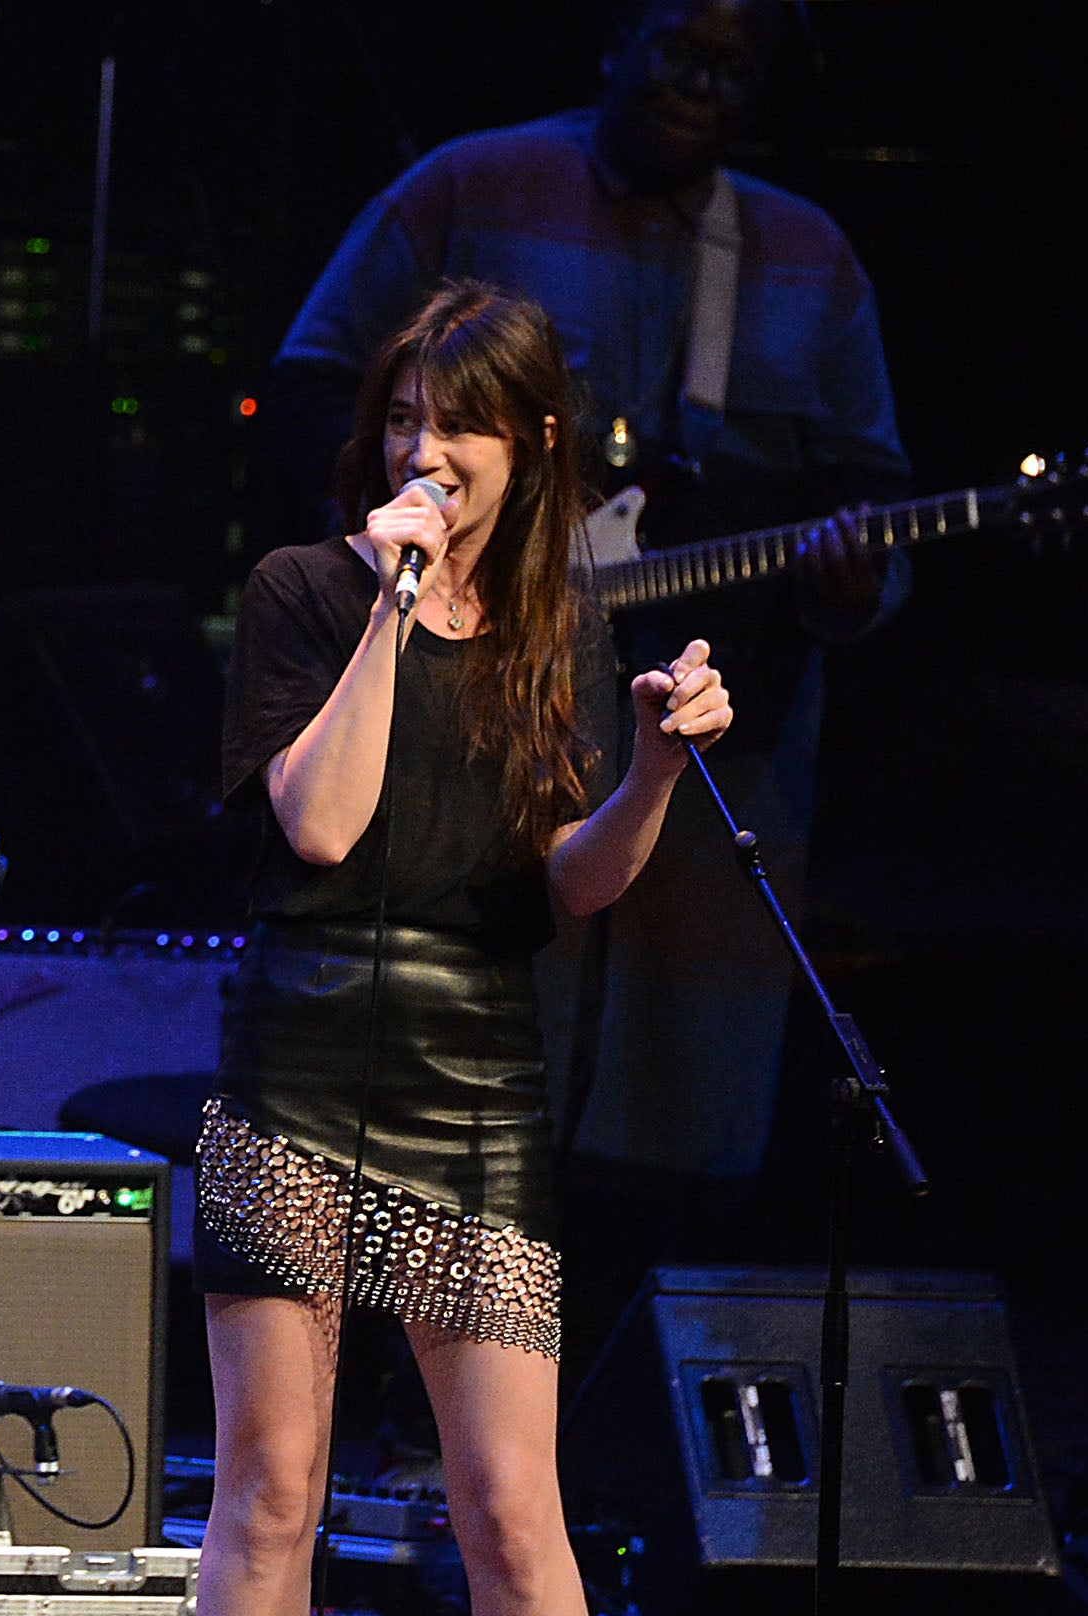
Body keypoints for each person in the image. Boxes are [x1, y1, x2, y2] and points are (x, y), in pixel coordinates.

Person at [194, 281, 731, 1616]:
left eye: (467, 426)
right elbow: (324, 817)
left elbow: (568, 884)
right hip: (298, 1048)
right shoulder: (302, 591)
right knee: (272, 1487)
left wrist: (650, 765)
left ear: (536, 445)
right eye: (411, 416)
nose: (429, 451)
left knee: (513, 1508)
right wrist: (388, 604)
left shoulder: (561, 628)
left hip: (476, 1063)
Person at [269, 0, 906, 1206]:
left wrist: (855, 581)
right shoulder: (478, 184)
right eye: (680, 50)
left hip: (718, 731)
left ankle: (638, 1358)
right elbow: (316, 385)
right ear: (616, 39)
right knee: (469, 1055)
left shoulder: (807, 255)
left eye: (737, 69)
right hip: (480, 698)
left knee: (679, 1102)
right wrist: (410, 556)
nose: (703, 87)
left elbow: (874, 495)